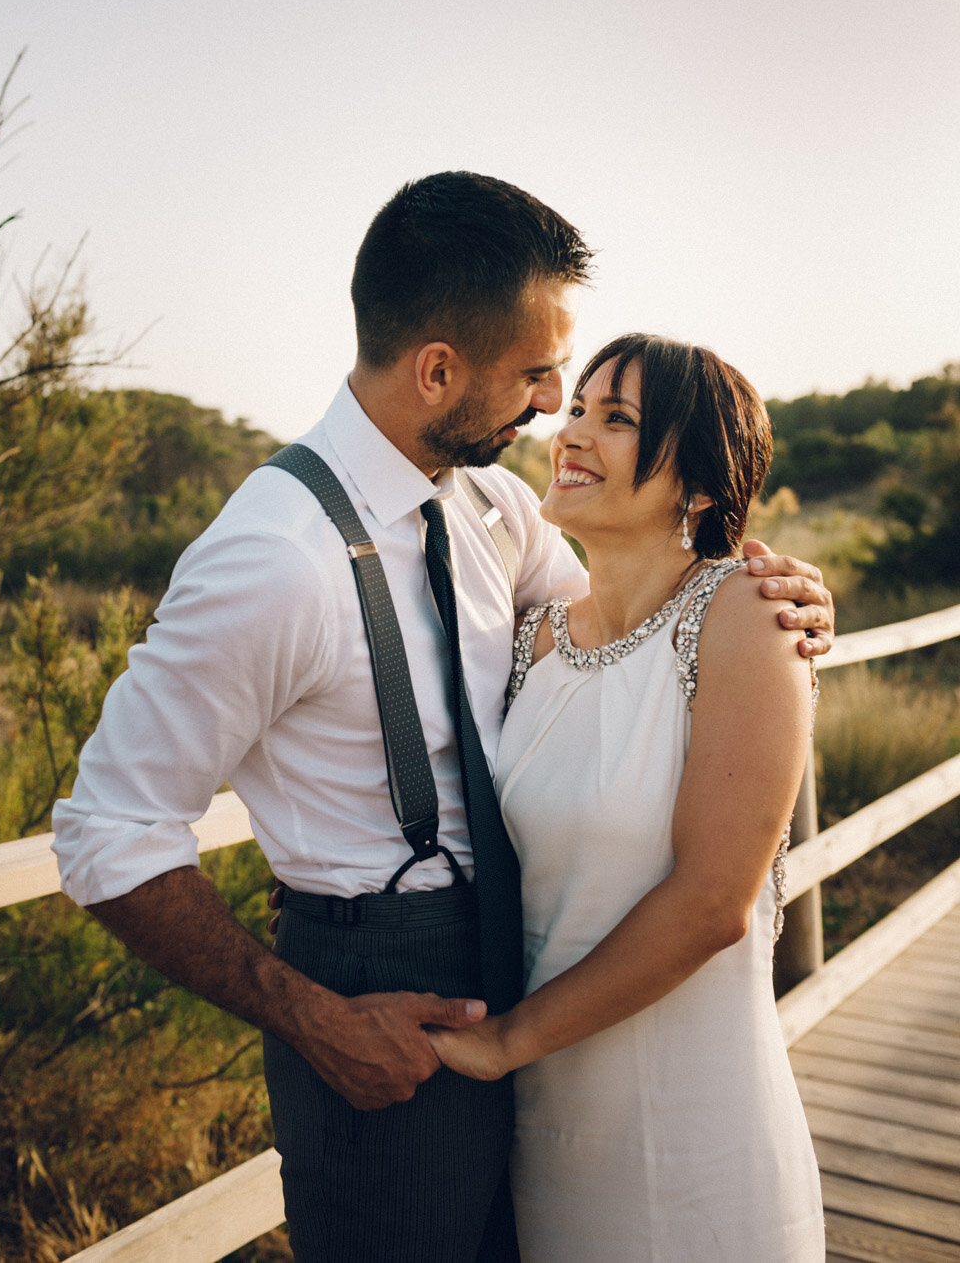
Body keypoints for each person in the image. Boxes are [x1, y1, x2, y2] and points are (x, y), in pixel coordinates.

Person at [51, 175, 833, 1263]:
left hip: (528, 980)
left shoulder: (494, 507)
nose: (554, 400)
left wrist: (772, 595)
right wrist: (312, 1016)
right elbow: (106, 830)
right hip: (374, 994)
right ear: (436, 371)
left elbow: (635, 627)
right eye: (538, 374)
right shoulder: (270, 558)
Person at [428, 332, 826, 1262]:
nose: (572, 434)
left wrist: (503, 1044)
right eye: (576, 409)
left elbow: (712, 905)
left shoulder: (747, 615)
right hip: (550, 1130)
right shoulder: (532, 640)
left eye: (619, 420)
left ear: (698, 487)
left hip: (691, 1126)